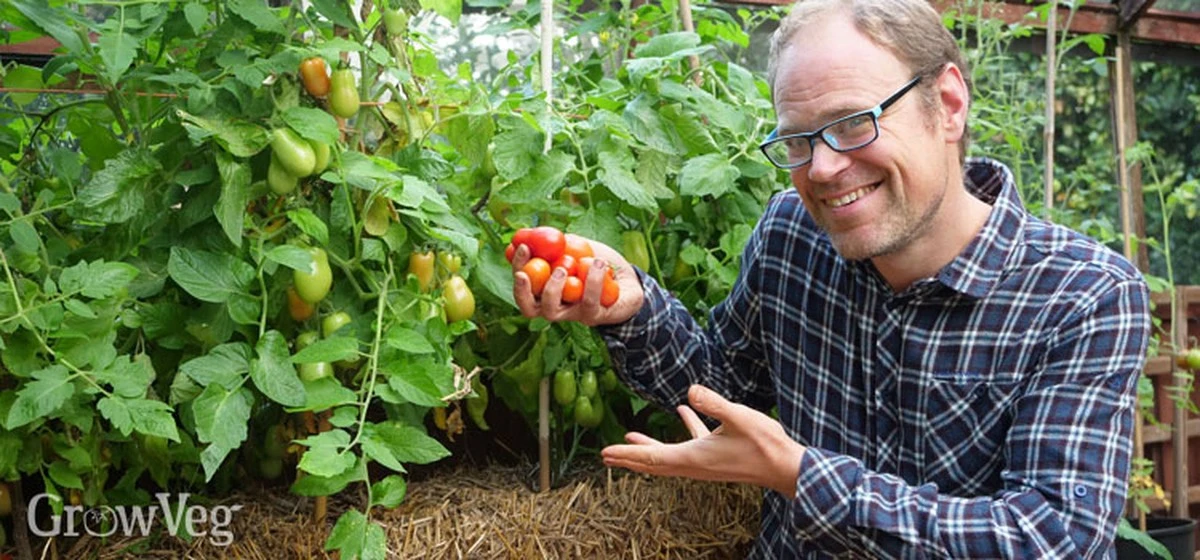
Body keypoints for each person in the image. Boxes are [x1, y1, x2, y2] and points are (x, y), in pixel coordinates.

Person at [509, 0, 1151, 557]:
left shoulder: (1083, 294)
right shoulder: (792, 234)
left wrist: (800, 476)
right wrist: (632, 309)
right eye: (797, 140)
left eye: (852, 123)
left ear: (949, 106)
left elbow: (1049, 538)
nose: (820, 169)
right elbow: (719, 385)